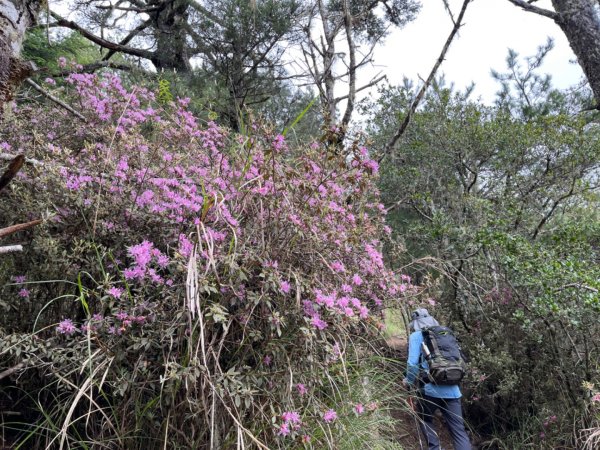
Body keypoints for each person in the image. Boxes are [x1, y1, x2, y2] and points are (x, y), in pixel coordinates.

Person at [403, 308, 471, 450]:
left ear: (415, 324)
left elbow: (412, 364)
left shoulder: (416, 336)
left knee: (425, 418)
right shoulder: (445, 334)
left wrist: (408, 382)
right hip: (453, 389)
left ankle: (435, 448)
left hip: (429, 390)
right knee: (459, 432)